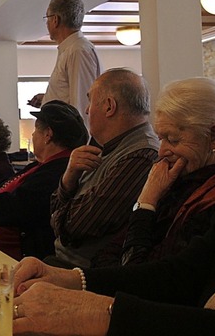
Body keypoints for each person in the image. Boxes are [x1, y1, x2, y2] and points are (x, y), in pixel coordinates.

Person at [3, 185, 215, 336]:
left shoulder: (141, 160)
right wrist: (74, 279)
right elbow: (183, 272)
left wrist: (101, 313)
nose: (161, 150)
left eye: (173, 138)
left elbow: (80, 227)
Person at [92, 77, 215, 267]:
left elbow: (141, 274)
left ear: (214, 136)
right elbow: (109, 251)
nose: (161, 152)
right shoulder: (176, 177)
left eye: (173, 140)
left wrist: (146, 202)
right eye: (161, 138)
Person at [48, 68, 159, 268]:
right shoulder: (102, 149)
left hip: (85, 275)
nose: (87, 110)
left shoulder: (140, 155)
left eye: (90, 101)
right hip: (64, 263)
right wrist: (69, 178)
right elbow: (58, 215)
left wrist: (59, 217)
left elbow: (75, 226)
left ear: (109, 107)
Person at [0, 100, 89, 260]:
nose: (32, 135)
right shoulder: (42, 165)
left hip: (15, 260)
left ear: (48, 135)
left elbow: (13, 205)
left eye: (35, 130)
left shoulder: (59, 169)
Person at [29, 0, 101, 127]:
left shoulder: (78, 50)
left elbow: (81, 104)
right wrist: (47, 99)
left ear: (55, 20)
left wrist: (79, 146)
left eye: (47, 18)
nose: (47, 24)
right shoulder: (70, 49)